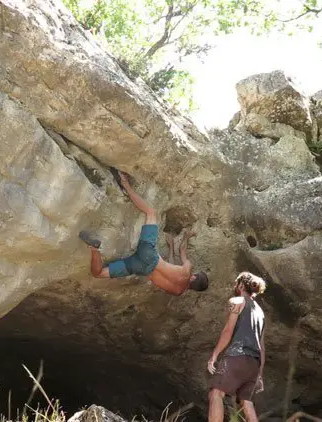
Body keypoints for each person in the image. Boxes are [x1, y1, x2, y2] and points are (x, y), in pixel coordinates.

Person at [78, 169, 208, 296]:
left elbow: (183, 251)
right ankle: (94, 249)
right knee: (98, 273)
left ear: (193, 278)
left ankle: (125, 184)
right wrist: (171, 247)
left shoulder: (187, 270)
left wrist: (186, 237)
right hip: (139, 267)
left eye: (194, 274)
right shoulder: (177, 292)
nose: (192, 273)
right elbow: (171, 265)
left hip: (149, 254)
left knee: (151, 213)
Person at [206, 272, 267, 422]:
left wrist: (214, 355)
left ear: (241, 285)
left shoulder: (237, 300)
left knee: (216, 394)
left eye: (236, 284)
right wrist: (260, 373)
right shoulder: (261, 313)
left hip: (237, 356)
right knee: (246, 402)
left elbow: (228, 331)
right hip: (254, 364)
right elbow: (262, 346)